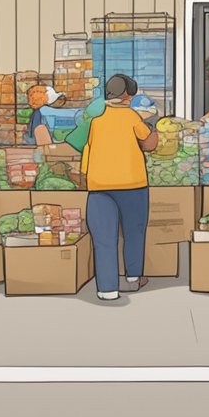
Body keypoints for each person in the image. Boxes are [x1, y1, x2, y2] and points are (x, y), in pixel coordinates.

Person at [82, 75, 159, 301]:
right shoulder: (131, 116)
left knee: (104, 238)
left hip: (98, 186)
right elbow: (150, 144)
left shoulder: (96, 120)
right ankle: (133, 278)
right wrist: (152, 128)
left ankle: (107, 289)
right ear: (127, 95)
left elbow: (88, 148)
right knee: (134, 232)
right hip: (132, 184)